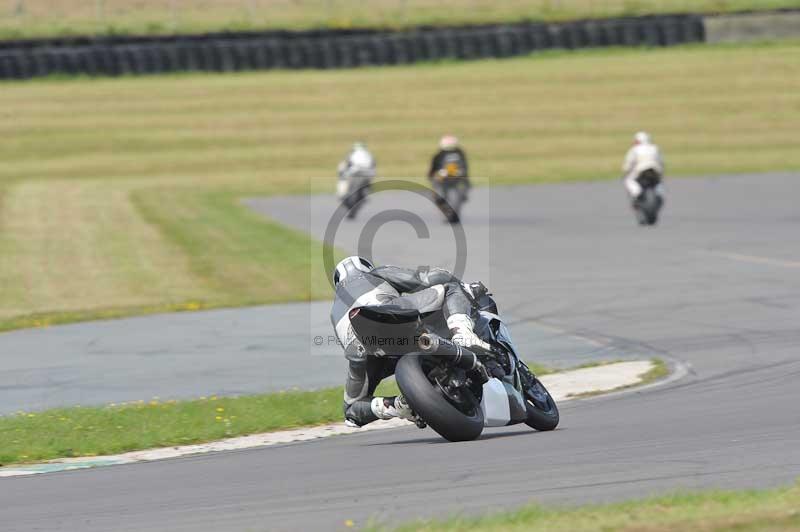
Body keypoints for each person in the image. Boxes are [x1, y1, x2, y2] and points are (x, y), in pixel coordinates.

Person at [330, 256, 489, 428]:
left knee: (351, 410)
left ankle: (398, 405)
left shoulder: (334, 311)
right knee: (451, 288)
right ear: (364, 266)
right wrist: (462, 286)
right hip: (388, 315)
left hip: (363, 349)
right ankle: (463, 334)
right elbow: (426, 279)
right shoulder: (375, 273)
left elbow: (349, 348)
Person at [622, 131, 664, 202]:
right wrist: (661, 173)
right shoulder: (655, 148)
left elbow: (629, 162)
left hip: (640, 171)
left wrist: (625, 171)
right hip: (655, 170)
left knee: (629, 180)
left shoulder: (635, 149)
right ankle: (659, 194)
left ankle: (637, 193)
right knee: (659, 182)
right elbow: (661, 161)